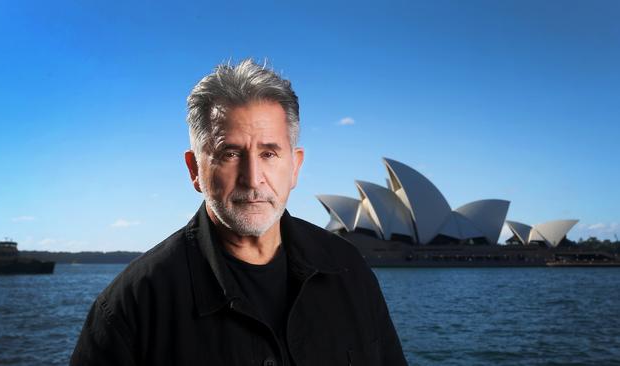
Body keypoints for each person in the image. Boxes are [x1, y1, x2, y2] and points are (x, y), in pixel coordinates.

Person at [70, 59, 407, 366]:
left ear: (295, 167)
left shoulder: (348, 269)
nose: (252, 178)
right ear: (194, 170)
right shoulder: (132, 307)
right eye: (230, 153)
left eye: (269, 154)